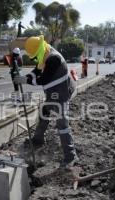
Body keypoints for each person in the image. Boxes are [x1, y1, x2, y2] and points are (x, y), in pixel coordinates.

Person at [14, 35, 78, 168]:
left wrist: (26, 81)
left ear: (40, 49)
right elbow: (36, 70)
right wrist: (25, 77)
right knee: (45, 110)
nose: (36, 58)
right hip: (53, 93)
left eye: (35, 55)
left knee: (62, 124)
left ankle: (70, 156)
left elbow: (43, 79)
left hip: (62, 93)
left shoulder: (53, 58)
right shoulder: (45, 53)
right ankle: (38, 139)